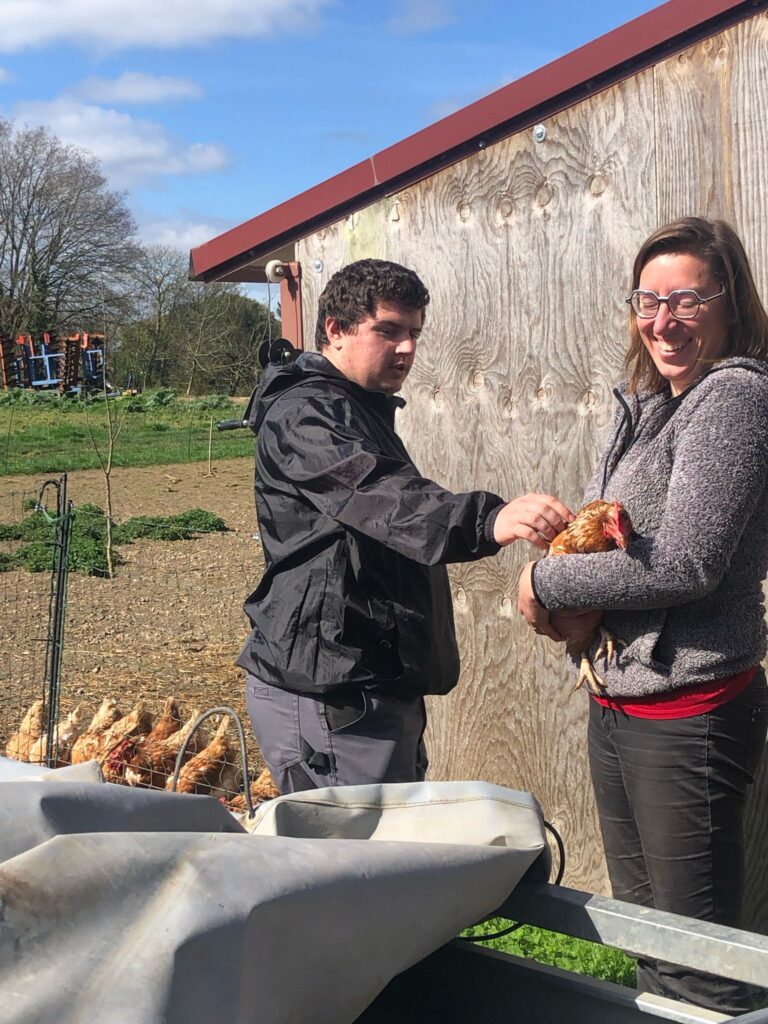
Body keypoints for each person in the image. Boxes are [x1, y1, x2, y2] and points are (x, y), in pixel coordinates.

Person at [518, 217, 768, 1015]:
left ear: (729, 304)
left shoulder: (730, 399)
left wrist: (543, 585)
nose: (663, 320)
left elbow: (688, 563)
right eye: (648, 300)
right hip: (621, 700)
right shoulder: (657, 406)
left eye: (687, 299)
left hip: (687, 713)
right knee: (645, 934)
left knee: (694, 950)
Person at [238, 258, 572, 794]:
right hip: (331, 690)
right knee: (361, 864)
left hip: (366, 678)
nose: (407, 348)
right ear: (335, 330)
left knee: (387, 858)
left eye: (414, 333)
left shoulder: (354, 407)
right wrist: (487, 519)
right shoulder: (306, 415)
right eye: (388, 330)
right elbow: (379, 495)